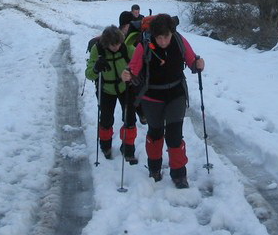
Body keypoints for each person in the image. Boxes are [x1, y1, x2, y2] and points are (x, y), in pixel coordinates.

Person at [121, 13, 205, 189]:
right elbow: (133, 68)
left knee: (174, 135)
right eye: (158, 38)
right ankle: (154, 169)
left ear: (171, 33)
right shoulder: (144, 45)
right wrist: (128, 74)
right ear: (153, 35)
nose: (163, 41)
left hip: (176, 95)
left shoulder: (179, 41)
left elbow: (191, 60)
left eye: (165, 37)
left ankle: (179, 174)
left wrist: (198, 64)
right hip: (152, 97)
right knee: (155, 133)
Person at [85, 26, 139, 164]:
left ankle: (128, 149)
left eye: (118, 44)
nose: (116, 47)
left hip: (125, 87)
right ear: (106, 43)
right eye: (112, 45)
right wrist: (97, 67)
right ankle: (105, 146)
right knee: (106, 120)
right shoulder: (97, 50)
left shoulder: (128, 48)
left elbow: (139, 67)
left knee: (130, 119)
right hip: (106, 89)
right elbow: (89, 74)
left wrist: (133, 75)